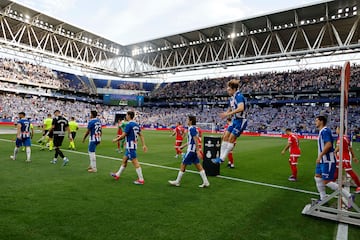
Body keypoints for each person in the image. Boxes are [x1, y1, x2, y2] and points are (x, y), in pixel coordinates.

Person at [313, 115, 355, 207]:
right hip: (322, 160)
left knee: (326, 181)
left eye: (316, 121)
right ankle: (323, 198)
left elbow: (328, 144)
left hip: (327, 160)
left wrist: (320, 155)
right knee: (317, 177)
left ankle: (349, 196)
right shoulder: (321, 131)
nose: (315, 122)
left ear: (321, 121)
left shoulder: (325, 131)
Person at [168, 115, 210, 188]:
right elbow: (190, 141)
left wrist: (197, 151)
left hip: (191, 150)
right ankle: (206, 182)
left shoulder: (192, 129)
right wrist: (183, 146)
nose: (186, 121)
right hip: (192, 149)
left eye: (187, 120)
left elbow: (195, 140)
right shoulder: (192, 128)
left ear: (190, 121)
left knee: (183, 164)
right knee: (198, 165)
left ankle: (177, 182)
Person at [212, 79, 247, 164]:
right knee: (225, 137)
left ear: (234, 89)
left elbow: (241, 108)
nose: (228, 91)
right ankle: (220, 157)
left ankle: (222, 159)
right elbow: (231, 108)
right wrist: (226, 113)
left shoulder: (239, 96)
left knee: (231, 138)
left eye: (229, 89)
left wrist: (228, 114)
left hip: (241, 121)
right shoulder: (232, 98)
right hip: (234, 120)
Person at [110, 111, 147, 185]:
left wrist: (116, 139)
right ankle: (117, 175)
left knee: (135, 162)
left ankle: (141, 179)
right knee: (124, 160)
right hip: (132, 145)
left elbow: (123, 135)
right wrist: (143, 145)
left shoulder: (129, 125)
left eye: (126, 115)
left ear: (129, 116)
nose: (126, 116)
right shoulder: (136, 124)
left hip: (130, 146)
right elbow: (141, 135)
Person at [334, 126, 360, 194]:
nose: (336, 130)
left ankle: (359, 186)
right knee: (336, 170)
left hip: (343, 158)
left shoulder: (341, 138)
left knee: (350, 172)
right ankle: (332, 183)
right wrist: (353, 157)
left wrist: (333, 152)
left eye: (337, 129)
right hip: (343, 157)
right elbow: (350, 148)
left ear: (340, 129)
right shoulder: (346, 137)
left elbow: (338, 148)